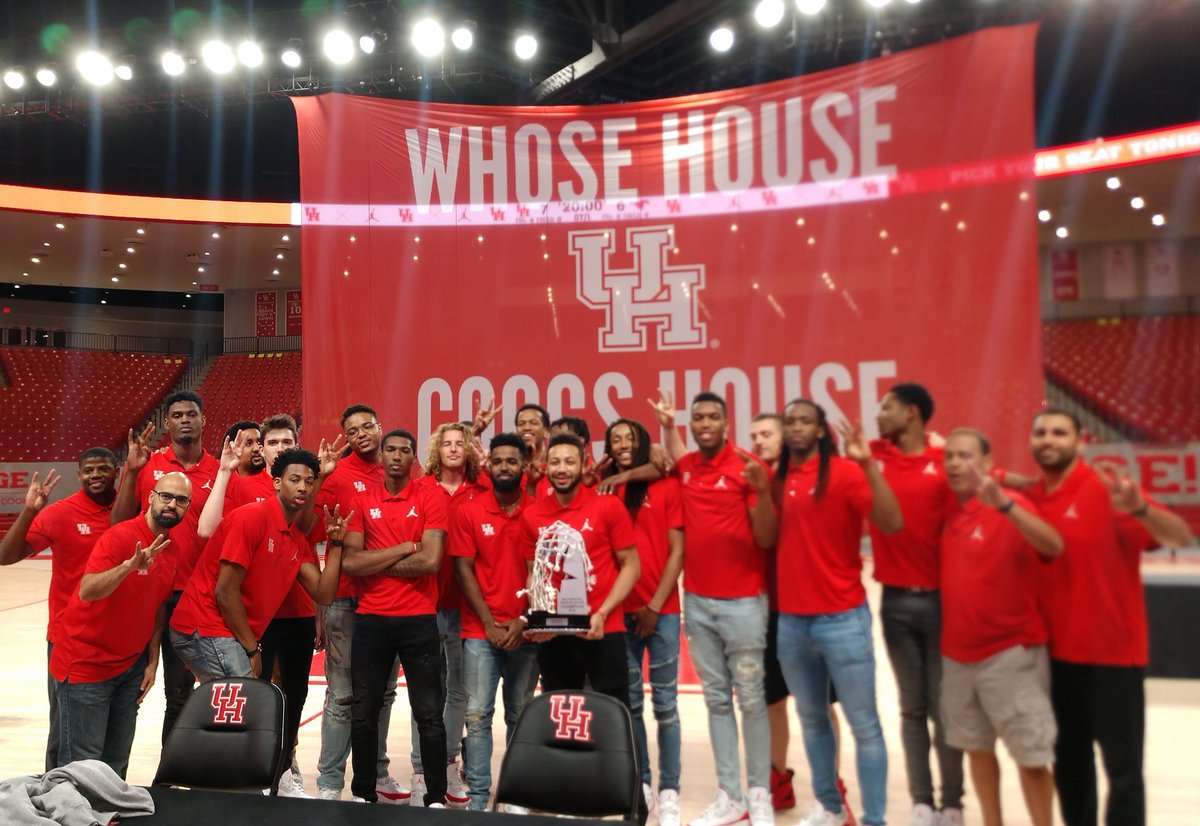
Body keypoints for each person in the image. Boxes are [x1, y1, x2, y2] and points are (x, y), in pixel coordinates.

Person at [1025, 409, 1193, 826]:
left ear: (1080, 442)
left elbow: (1179, 535)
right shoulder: (1032, 498)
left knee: (1123, 773)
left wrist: (1141, 509)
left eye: (1059, 433)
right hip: (1055, 659)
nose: (1049, 440)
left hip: (1113, 659)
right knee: (1071, 764)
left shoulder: (1106, 489)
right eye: (1041, 433)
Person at [773, 399, 902, 826]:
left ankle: (874, 819)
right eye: (790, 421)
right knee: (812, 720)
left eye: (805, 420)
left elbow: (891, 522)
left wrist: (867, 465)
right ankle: (829, 807)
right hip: (792, 623)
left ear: (820, 430)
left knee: (864, 724)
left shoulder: (846, 472)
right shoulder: (777, 478)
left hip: (843, 619)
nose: (796, 427)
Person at [653, 390, 777, 826]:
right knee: (717, 701)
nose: (705, 423)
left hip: (744, 603)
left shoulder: (749, 467)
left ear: (726, 423)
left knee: (752, 700)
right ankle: (730, 796)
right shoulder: (687, 467)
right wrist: (668, 427)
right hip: (699, 603)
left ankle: (759, 794)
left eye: (713, 417)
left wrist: (763, 491)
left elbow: (766, 537)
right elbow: (676, 456)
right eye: (698, 417)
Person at [940, 428, 1063, 826]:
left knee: (1031, 758)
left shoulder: (1012, 505)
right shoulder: (951, 510)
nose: (954, 463)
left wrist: (1006, 503)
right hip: (958, 658)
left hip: (1010, 657)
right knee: (978, 750)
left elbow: (1053, 544)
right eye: (949, 456)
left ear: (989, 464)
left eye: (965, 456)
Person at [194, 414, 319, 798]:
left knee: (295, 696)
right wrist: (225, 473)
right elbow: (207, 530)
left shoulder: (306, 485)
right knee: (255, 697)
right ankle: (253, 771)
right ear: (261, 449)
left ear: (297, 443)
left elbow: (308, 541)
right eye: (273, 442)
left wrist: (319, 614)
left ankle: (284, 769)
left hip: (298, 609)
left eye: (287, 441)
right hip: (256, 616)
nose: (280, 448)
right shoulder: (242, 486)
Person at [168, 448, 346, 687]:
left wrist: (336, 544)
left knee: (240, 701)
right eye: (294, 480)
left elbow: (323, 593)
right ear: (277, 483)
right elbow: (225, 591)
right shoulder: (251, 518)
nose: (302, 487)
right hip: (204, 625)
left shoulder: (295, 537)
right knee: (244, 697)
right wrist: (253, 649)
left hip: (228, 631)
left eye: (309, 482)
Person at [51, 471, 188, 777]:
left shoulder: (172, 548)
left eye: (181, 500)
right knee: (82, 768)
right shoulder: (120, 536)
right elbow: (88, 590)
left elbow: (157, 608)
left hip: (130, 669)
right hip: (87, 666)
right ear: (151, 497)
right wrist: (128, 567)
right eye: (166, 496)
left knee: (115, 764)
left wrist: (152, 660)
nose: (172, 505)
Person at [871, 384, 964, 826]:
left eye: (886, 407)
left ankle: (953, 803)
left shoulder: (945, 460)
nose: (879, 414)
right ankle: (922, 802)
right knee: (911, 709)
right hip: (894, 603)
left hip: (943, 603)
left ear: (910, 413)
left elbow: (992, 477)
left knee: (945, 709)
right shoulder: (873, 456)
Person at [341, 429, 450, 807]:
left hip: (419, 619)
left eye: (405, 450)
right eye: (390, 449)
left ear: (413, 457)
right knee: (363, 712)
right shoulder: (362, 500)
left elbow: (431, 561)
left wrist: (376, 562)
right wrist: (405, 548)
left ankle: (435, 797)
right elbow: (351, 563)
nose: (397, 455)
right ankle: (363, 793)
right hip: (372, 619)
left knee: (429, 714)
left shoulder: (430, 496)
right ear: (382, 456)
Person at [110, 390, 219, 741]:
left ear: (203, 420)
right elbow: (118, 522)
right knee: (130, 687)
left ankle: (171, 770)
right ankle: (112, 764)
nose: (185, 419)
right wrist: (131, 471)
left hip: (194, 597)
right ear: (167, 423)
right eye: (177, 415)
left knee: (181, 692)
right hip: (146, 591)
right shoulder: (148, 465)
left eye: (191, 414)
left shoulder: (220, 471)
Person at [0, 448, 117, 771]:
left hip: (117, 638)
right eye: (88, 470)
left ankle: (104, 790)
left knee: (111, 728)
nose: (95, 475)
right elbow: (6, 556)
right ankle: (56, 789)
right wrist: (29, 511)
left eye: (103, 468)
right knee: (64, 728)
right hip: (69, 637)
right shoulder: (60, 513)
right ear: (78, 476)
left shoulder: (128, 510)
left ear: (116, 472)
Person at [313, 404, 408, 803]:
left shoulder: (399, 470)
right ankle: (329, 782)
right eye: (352, 431)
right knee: (342, 697)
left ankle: (378, 773)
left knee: (384, 694)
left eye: (367, 426)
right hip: (347, 600)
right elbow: (310, 531)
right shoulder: (336, 475)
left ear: (380, 427)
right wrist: (319, 609)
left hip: (389, 600)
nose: (361, 434)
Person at [449, 432, 540, 811]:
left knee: (520, 716)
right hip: (479, 632)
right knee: (477, 717)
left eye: (511, 461)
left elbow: (542, 575)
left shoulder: (538, 512)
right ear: (490, 464)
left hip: (527, 633)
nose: (504, 467)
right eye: (498, 461)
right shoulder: (470, 510)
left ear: (524, 466)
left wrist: (522, 619)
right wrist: (488, 623)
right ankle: (479, 797)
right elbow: (463, 569)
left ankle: (515, 796)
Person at [602, 418, 685, 826]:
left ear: (643, 444)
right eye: (615, 439)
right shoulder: (605, 489)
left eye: (629, 438)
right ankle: (643, 783)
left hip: (662, 612)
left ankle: (670, 790)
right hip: (620, 614)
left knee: (666, 706)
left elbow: (677, 551)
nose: (622, 444)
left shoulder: (666, 486)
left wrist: (653, 605)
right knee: (630, 706)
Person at [410, 421, 485, 807]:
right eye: (447, 443)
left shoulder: (482, 489)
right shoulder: (421, 488)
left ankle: (450, 763)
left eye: (460, 443)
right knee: (426, 693)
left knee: (459, 691)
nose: (454, 448)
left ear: (469, 450)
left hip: (465, 606)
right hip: (425, 602)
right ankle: (421, 771)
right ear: (437, 450)